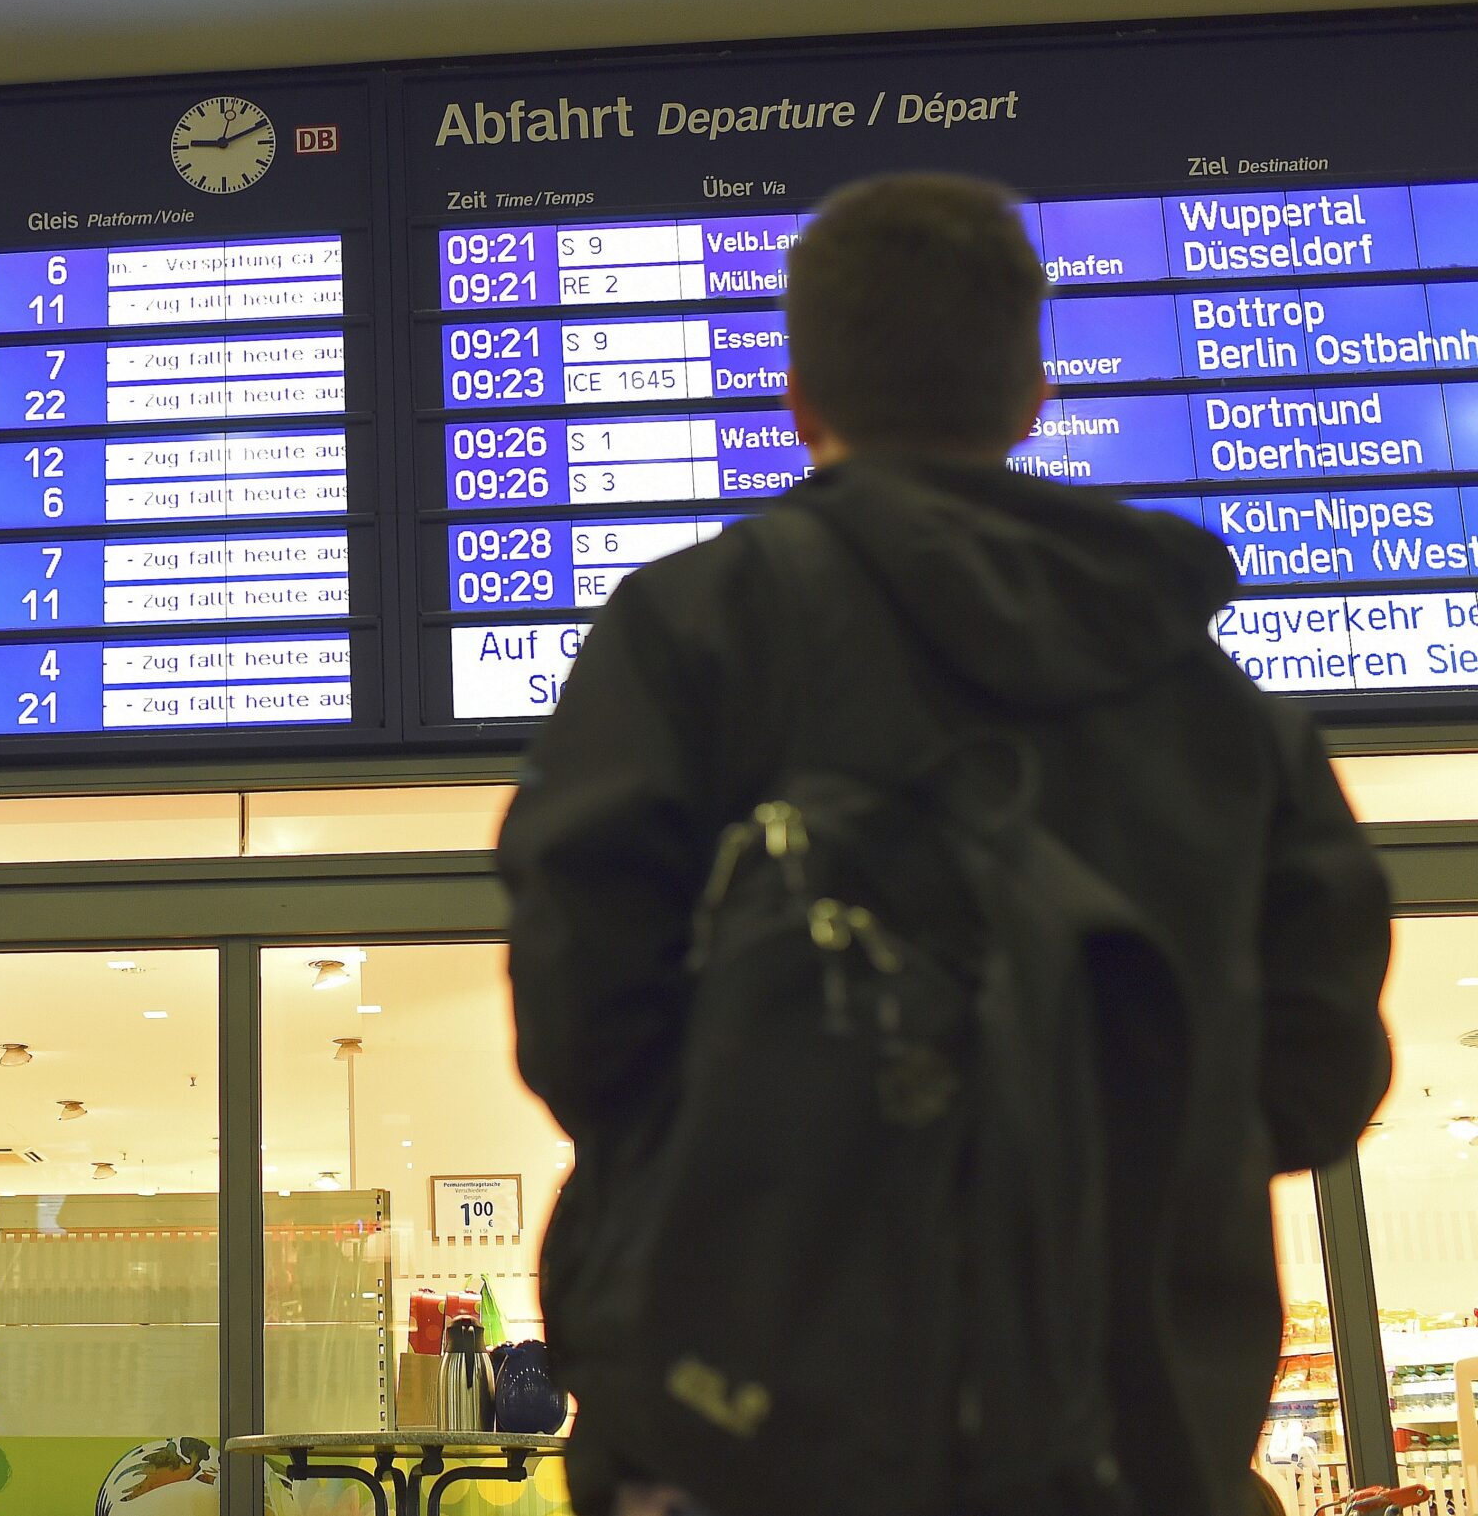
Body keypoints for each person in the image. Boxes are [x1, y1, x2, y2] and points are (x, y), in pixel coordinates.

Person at [498, 173, 1394, 1516]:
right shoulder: (1213, 702)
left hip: (753, 1428)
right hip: (1139, 1431)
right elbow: (1321, 1074)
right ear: (1034, 395)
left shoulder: (694, 632)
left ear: (798, 396)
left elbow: (581, 1021)